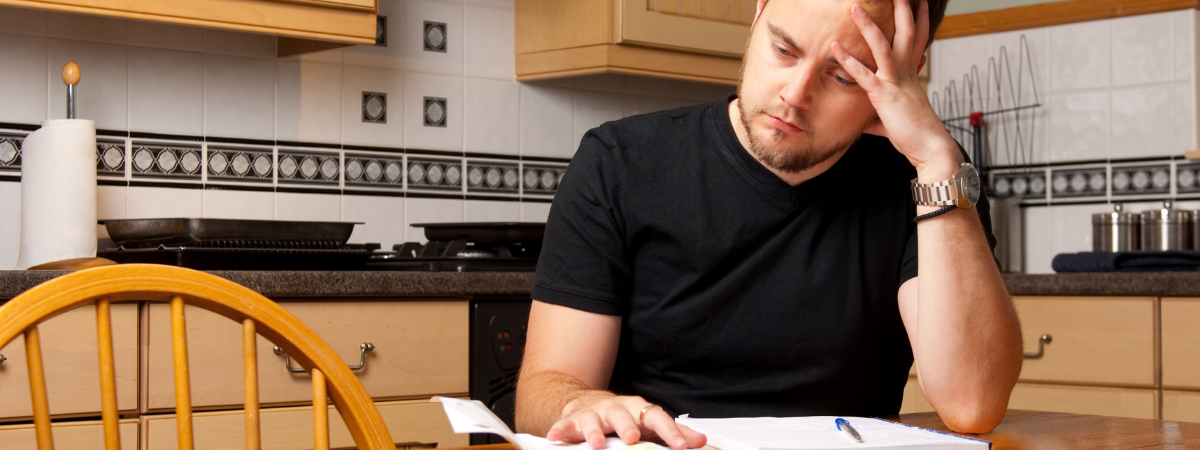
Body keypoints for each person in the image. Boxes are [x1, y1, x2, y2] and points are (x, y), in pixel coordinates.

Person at [514, 0, 1024, 448]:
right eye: (783, 49)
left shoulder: (927, 185)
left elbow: (972, 403)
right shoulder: (619, 162)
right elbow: (544, 391)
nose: (794, 94)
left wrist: (936, 160)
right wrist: (578, 405)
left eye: (843, 75)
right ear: (758, 11)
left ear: (905, 72)